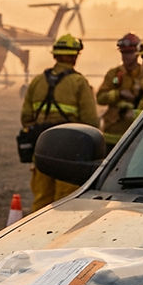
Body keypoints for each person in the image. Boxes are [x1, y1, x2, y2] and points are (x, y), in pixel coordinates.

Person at [20, 33, 98, 212]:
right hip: (70, 152)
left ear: (55, 55)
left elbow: (25, 118)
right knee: (66, 202)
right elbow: (91, 121)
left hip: (42, 150)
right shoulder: (79, 82)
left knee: (41, 200)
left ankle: (36, 237)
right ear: (74, 56)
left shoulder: (38, 81)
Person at [96, 32, 143, 151]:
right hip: (111, 135)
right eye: (123, 53)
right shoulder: (114, 74)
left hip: (137, 134)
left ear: (137, 53)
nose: (126, 56)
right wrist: (118, 94)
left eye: (129, 53)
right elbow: (100, 98)